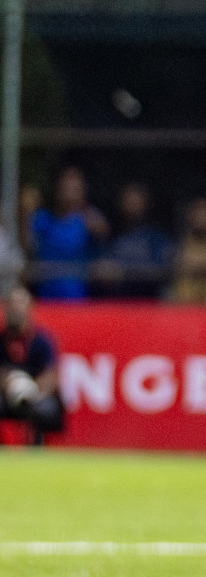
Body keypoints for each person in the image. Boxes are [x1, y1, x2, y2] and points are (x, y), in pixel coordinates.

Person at [30, 167, 109, 300]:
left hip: (77, 298)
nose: (68, 192)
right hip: (45, 297)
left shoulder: (88, 219)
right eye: (65, 187)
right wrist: (25, 212)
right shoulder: (43, 218)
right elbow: (27, 246)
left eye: (74, 188)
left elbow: (104, 235)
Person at [0, 286, 64, 444]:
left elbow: (50, 375)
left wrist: (30, 389)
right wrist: (10, 383)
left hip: (34, 394)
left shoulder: (42, 341)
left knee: (46, 408)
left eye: (20, 303)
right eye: (12, 303)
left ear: (29, 307)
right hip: (5, 393)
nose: (16, 308)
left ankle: (37, 447)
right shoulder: (2, 340)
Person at [96, 183, 175, 298]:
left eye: (136, 202)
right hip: (119, 300)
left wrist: (124, 271)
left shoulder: (156, 238)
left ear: (145, 204)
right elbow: (102, 264)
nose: (132, 205)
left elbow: (162, 269)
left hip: (148, 300)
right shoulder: (113, 237)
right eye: (128, 201)